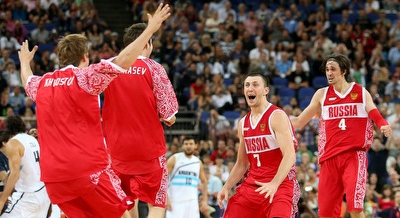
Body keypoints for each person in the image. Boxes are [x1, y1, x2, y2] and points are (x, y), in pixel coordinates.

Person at [18, 3, 171, 218]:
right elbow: (123, 61)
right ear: (85, 57)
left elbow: (27, 81)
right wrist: (149, 30)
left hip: (54, 180)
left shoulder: (42, 84)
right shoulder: (86, 78)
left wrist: (24, 62)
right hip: (89, 172)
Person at [290, 53, 393, 218]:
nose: (329, 73)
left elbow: (374, 112)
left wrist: (383, 124)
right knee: (325, 212)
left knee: (355, 208)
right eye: (327, 70)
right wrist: (276, 122)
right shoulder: (322, 94)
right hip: (329, 158)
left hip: (353, 156)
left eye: (333, 69)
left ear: (343, 71)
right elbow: (300, 120)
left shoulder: (360, 92)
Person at [101, 21, 178, 218]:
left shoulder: (109, 66)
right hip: (148, 148)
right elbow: (169, 114)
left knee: (124, 201)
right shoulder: (154, 68)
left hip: (116, 148)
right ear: (147, 44)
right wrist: (168, 118)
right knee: (156, 203)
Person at [217, 71, 300, 217]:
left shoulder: (276, 116)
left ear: (265, 90)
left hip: (280, 185)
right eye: (247, 85)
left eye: (255, 85)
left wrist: (274, 184)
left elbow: (290, 155)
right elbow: (242, 163)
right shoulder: (243, 123)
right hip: (253, 187)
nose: (250, 88)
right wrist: (226, 187)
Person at [0, 115, 51, 217]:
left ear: (8, 129)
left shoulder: (13, 143)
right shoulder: (33, 140)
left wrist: (2, 199)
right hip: (43, 191)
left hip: (28, 195)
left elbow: (15, 174)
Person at [166, 136, 208, 218]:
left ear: (196, 146)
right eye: (186, 144)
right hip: (175, 202)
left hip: (192, 202)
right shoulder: (174, 158)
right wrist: (166, 198)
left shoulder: (198, 162)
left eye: (191, 144)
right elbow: (163, 179)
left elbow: (204, 181)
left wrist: (205, 201)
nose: (188, 146)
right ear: (182, 146)